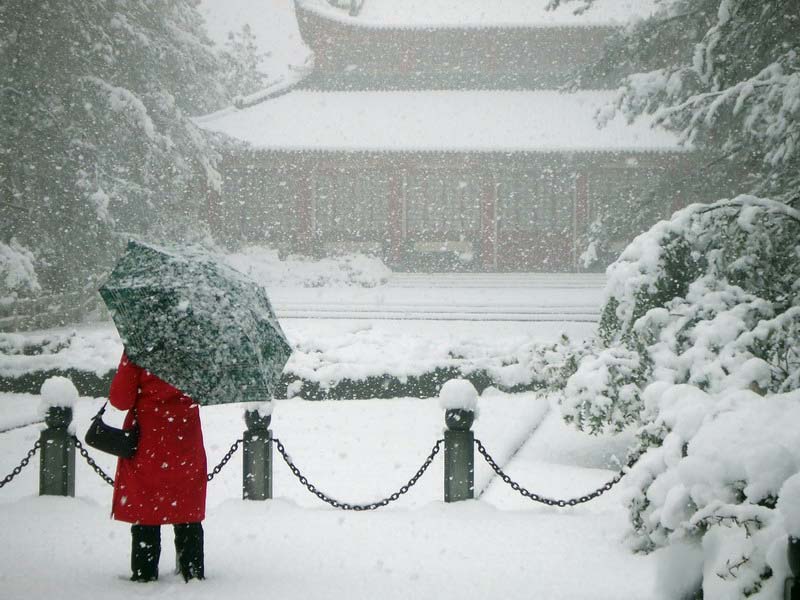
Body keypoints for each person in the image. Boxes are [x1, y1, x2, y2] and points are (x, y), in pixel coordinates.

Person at [108, 352, 208, 582]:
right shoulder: (195, 346)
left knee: (146, 510)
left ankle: (144, 573)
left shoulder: (139, 347)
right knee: (186, 507)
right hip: (185, 438)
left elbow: (120, 400)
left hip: (148, 440)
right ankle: (192, 572)